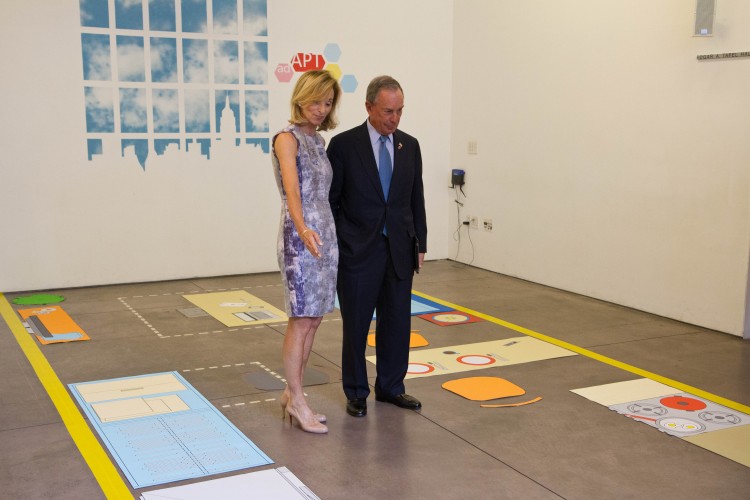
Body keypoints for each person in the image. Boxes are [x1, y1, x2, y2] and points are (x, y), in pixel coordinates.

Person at [327, 75, 427, 417]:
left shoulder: (409, 146)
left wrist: (421, 244)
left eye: (400, 111)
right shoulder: (343, 146)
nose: (394, 118)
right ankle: (356, 391)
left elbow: (416, 199)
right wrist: (344, 241)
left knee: (397, 322)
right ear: (369, 107)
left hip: (399, 249)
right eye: (388, 111)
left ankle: (391, 387)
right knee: (356, 324)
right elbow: (332, 201)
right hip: (358, 251)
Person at [272, 70, 341, 433]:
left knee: (315, 318)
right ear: (301, 98)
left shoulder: (319, 141)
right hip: (302, 238)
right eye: (315, 100)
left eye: (327, 102)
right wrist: (303, 229)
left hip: (325, 235)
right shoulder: (287, 139)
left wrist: (323, 234)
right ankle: (298, 402)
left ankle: (290, 391)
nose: (320, 109)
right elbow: (292, 192)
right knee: (300, 319)